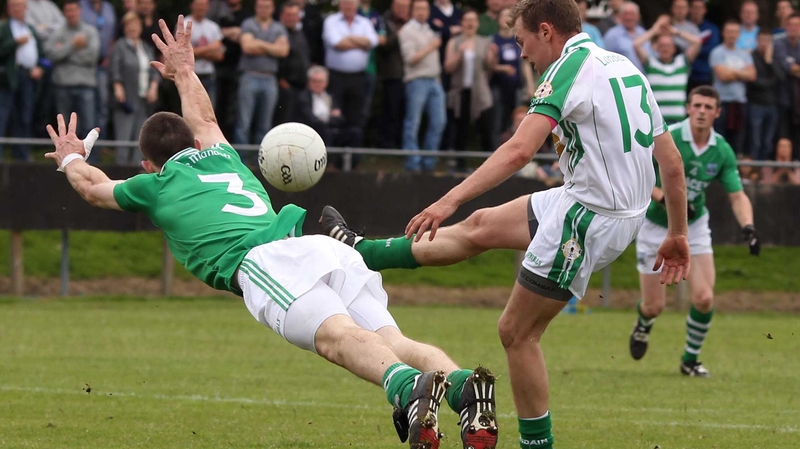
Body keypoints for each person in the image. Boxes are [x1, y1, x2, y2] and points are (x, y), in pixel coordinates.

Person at [46, 15, 498, 449]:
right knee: (394, 342)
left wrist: (71, 157)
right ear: (195, 144)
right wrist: (184, 72)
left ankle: (406, 388)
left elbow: (93, 189)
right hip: (315, 246)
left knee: (337, 338)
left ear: (149, 165)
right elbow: (204, 118)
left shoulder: (154, 185)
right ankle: (465, 390)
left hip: (264, 262)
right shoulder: (221, 153)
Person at [321, 0, 691, 446]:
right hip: (597, 202)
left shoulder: (566, 70)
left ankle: (537, 444)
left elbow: (519, 151)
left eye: (522, 41)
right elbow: (671, 164)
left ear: (547, 31)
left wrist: (448, 199)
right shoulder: (625, 66)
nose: (522, 54)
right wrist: (677, 232)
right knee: (480, 226)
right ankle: (360, 251)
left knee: (516, 332)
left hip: (588, 217)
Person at [629, 85, 759, 377]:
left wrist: (748, 226)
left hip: (694, 226)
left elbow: (737, 196)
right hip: (655, 225)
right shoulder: (669, 137)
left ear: (717, 113)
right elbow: (637, 174)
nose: (701, 111)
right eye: (697, 105)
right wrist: (666, 199)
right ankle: (643, 324)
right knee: (654, 306)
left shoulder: (721, 149)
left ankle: (690, 360)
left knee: (704, 298)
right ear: (688, 108)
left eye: (708, 107)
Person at [444, 8, 496, 171]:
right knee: (461, 130)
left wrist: (492, 56)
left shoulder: (484, 41)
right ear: (462, 23)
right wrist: (460, 53)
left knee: (485, 128)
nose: (470, 23)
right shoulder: (454, 42)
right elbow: (448, 67)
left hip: (480, 92)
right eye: (467, 20)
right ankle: (460, 166)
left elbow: (491, 66)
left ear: (478, 23)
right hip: (461, 92)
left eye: (473, 20)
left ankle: (490, 168)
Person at [398, 0, 446, 172]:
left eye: (424, 9)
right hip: (417, 80)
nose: (421, 12)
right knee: (413, 122)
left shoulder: (428, 29)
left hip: (435, 80)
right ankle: (413, 164)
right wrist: (431, 46)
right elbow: (410, 58)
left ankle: (428, 163)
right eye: (418, 9)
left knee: (439, 122)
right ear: (412, 11)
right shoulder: (407, 31)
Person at [45, 0, 99, 146]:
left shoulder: (90, 31)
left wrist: (64, 53)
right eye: (68, 10)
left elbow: (92, 57)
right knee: (64, 128)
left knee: (88, 126)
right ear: (64, 13)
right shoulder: (58, 32)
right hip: (62, 85)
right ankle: (66, 155)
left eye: (74, 10)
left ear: (79, 11)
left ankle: (90, 156)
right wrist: (73, 45)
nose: (71, 13)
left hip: (85, 85)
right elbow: (51, 55)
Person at [234, 0, 288, 147]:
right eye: (261, 6)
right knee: (243, 122)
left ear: (273, 8)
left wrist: (258, 42)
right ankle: (241, 157)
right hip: (249, 76)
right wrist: (272, 47)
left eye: (267, 7)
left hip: (270, 78)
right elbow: (247, 47)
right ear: (256, 8)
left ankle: (263, 156)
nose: (264, 9)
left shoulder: (279, 27)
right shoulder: (248, 24)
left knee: (265, 124)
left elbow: (283, 51)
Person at [110, 11, 159, 165]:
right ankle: (121, 169)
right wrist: (117, 86)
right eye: (129, 25)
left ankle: (138, 169)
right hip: (126, 98)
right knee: (124, 137)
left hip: (144, 100)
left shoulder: (146, 47)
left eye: (135, 24)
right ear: (124, 28)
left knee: (141, 138)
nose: (132, 28)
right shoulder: (120, 46)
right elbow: (114, 69)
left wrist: (154, 87)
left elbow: (154, 69)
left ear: (141, 27)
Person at [633, 14, 701, 124]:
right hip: (657, 121)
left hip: (678, 120)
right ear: (657, 48)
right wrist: (655, 29)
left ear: (674, 48)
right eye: (662, 46)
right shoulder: (651, 63)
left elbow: (697, 41)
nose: (665, 49)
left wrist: (675, 31)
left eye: (668, 45)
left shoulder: (682, 62)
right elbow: (636, 44)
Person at [0, 0, 46, 161]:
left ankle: (22, 154)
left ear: (26, 8)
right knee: (3, 115)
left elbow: (41, 53)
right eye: (13, 6)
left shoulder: (30, 28)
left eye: (20, 5)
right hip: (8, 78)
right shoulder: (3, 28)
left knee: (25, 116)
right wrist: (14, 43)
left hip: (28, 77)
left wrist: (40, 67)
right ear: (8, 9)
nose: (17, 9)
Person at [710, 21, 756, 156]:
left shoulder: (745, 54)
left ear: (739, 34)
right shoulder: (717, 52)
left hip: (740, 102)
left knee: (738, 142)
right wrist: (742, 73)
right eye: (729, 32)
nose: (732, 35)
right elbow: (723, 76)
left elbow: (752, 75)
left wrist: (731, 72)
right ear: (723, 33)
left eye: (735, 32)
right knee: (719, 139)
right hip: (722, 103)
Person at [747, 30, 784, 163]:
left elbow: (781, 78)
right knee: (755, 141)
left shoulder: (773, 58)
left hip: (772, 105)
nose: (764, 44)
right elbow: (754, 81)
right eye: (762, 40)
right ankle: (754, 170)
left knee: (768, 142)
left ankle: (763, 171)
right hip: (755, 104)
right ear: (757, 41)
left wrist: (769, 62)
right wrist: (771, 81)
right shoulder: (751, 57)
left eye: (767, 41)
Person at [603, 2, 648, 72]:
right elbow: (606, 60)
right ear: (620, 16)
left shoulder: (643, 33)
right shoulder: (612, 35)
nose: (628, 17)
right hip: (623, 76)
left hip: (644, 76)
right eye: (625, 14)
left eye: (632, 14)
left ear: (638, 16)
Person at [687, 0, 720, 92]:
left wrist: (692, 49)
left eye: (699, 8)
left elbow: (711, 50)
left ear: (704, 10)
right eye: (694, 8)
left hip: (705, 75)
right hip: (686, 75)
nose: (697, 11)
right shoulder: (684, 27)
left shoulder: (711, 29)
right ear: (690, 9)